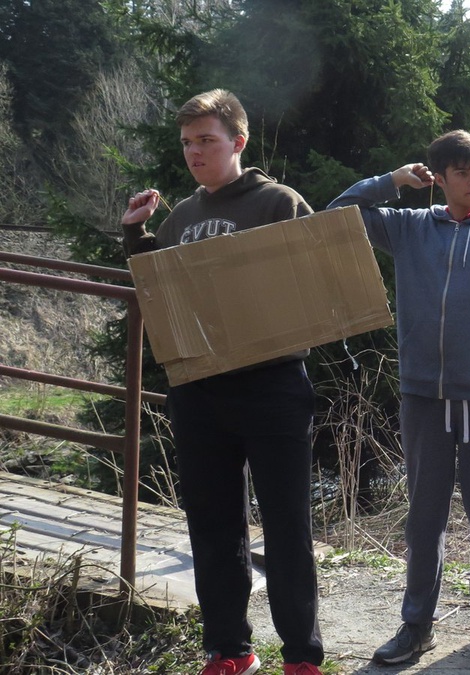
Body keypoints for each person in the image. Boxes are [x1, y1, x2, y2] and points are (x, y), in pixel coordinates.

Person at [120, 89, 324, 675]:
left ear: (237, 142)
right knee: (212, 526)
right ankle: (230, 650)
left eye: (206, 140)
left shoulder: (278, 203)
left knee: (288, 527)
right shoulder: (181, 216)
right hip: (200, 390)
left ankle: (303, 658)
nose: (194, 153)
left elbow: (313, 284)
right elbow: (160, 300)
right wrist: (136, 235)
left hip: (273, 386)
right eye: (186, 143)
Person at [327, 130, 470, 669]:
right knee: (424, 518)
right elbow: (337, 216)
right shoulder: (408, 228)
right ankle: (416, 625)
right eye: (462, 172)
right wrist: (390, 182)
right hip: (423, 395)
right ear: (440, 177)